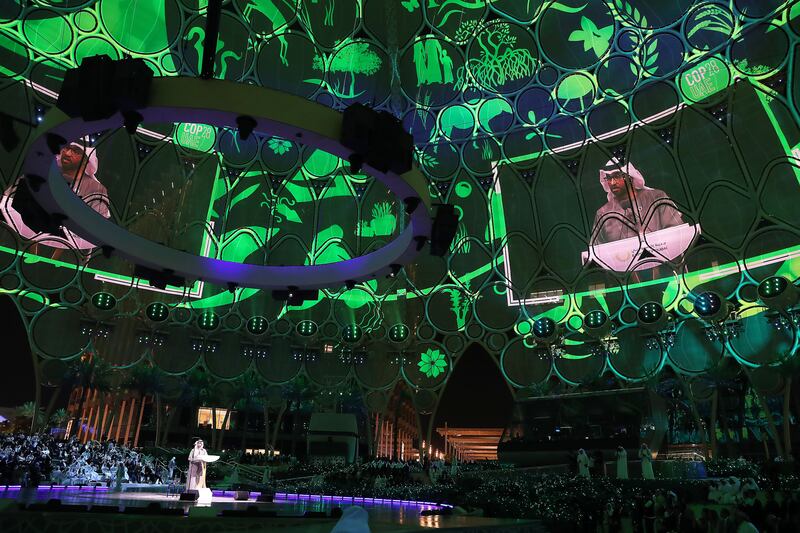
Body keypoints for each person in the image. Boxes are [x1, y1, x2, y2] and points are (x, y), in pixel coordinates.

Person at [592, 159, 684, 245]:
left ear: (630, 177)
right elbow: (597, 251)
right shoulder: (603, 213)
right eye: (608, 178)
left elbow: (678, 234)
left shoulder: (657, 198)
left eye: (617, 176)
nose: (612, 182)